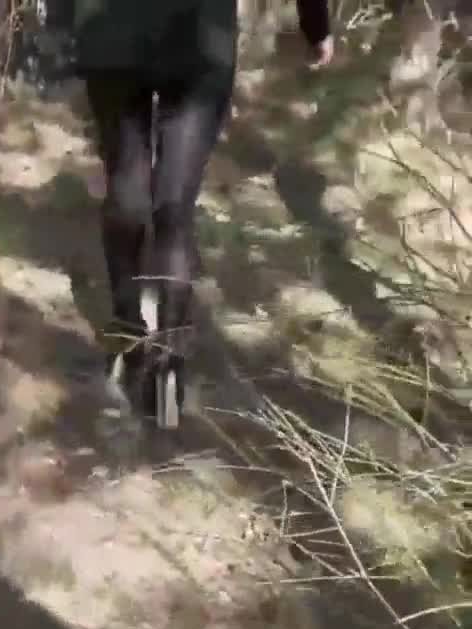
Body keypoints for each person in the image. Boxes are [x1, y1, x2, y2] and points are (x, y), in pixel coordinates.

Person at [73, 0, 334, 429]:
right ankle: (167, 370)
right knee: (174, 206)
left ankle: (128, 339)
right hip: (198, 41)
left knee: (126, 187)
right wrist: (316, 26)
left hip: (114, 32)